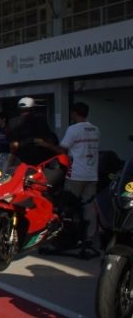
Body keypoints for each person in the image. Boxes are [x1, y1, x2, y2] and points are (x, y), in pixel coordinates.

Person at [59, 102, 100, 251]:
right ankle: (89, 238)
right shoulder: (95, 129)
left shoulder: (73, 129)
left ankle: (71, 236)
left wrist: (46, 145)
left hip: (75, 174)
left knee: (69, 206)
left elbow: (63, 149)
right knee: (89, 206)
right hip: (92, 174)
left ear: (74, 113)